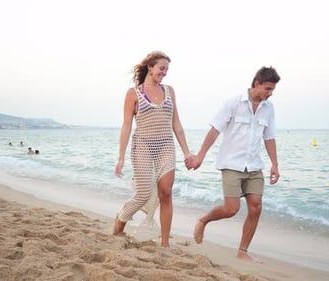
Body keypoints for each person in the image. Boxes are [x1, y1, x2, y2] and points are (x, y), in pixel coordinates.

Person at [186, 66, 281, 262]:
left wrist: (275, 165)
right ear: (257, 84)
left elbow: (269, 137)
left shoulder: (268, 108)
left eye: (272, 90)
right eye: (268, 89)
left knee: (256, 207)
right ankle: (203, 220)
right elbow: (215, 130)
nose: (270, 94)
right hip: (231, 164)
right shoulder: (234, 102)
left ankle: (243, 252)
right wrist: (200, 156)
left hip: (254, 166)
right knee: (231, 209)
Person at [113, 51, 192, 247]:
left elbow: (177, 124)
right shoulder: (134, 93)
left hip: (166, 146)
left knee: (166, 192)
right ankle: (120, 221)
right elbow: (126, 126)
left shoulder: (169, 91)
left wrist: (186, 152)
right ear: (150, 67)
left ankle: (164, 243)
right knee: (142, 194)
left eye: (166, 70)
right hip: (143, 146)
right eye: (161, 68)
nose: (164, 73)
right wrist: (121, 157)